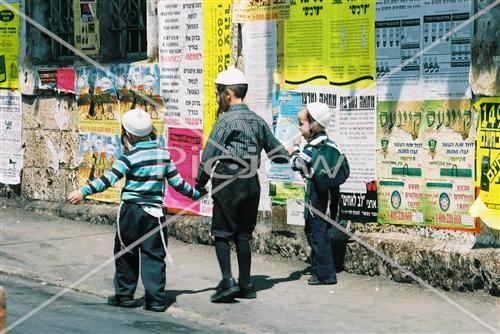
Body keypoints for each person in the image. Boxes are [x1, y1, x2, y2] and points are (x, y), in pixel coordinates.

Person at [68, 108, 201, 312]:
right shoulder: (164, 156)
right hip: (155, 215)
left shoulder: (129, 157)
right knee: (154, 256)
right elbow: (178, 184)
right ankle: (156, 301)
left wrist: (83, 192)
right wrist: (196, 194)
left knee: (125, 252)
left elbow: (108, 179)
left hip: (131, 212)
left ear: (127, 134)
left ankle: (125, 296)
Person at [195, 68, 289, 302]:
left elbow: (209, 155)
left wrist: (199, 184)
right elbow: (278, 153)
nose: (216, 99)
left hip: (228, 181)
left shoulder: (225, 121)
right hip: (251, 183)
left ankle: (227, 281)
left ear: (227, 94)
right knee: (243, 236)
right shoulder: (258, 121)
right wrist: (295, 156)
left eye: (217, 94)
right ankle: (246, 284)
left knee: (221, 233)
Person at [290, 102, 348, 285]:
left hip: (315, 194)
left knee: (317, 233)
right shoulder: (331, 144)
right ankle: (320, 269)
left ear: (314, 125)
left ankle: (326, 274)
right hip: (330, 193)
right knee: (319, 230)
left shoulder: (310, 148)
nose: (299, 127)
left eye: (301, 123)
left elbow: (296, 164)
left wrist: (294, 148)